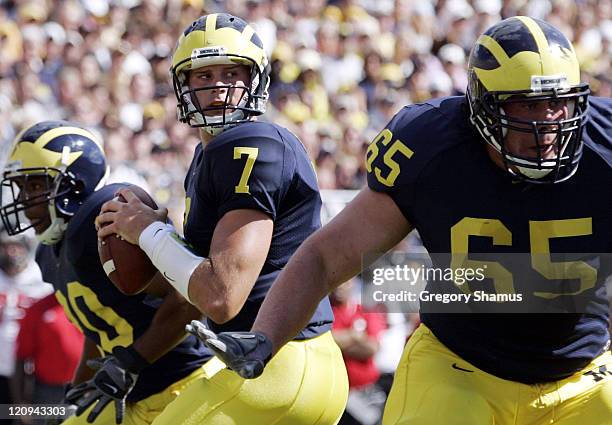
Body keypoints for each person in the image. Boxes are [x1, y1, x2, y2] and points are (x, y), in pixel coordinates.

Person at [188, 16, 612, 425]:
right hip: (461, 368)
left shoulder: (604, 146)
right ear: (482, 104)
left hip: (583, 373)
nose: (547, 124)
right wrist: (266, 338)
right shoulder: (430, 148)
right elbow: (326, 257)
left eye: (557, 103)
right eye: (525, 105)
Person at [96, 12, 348, 425]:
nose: (218, 88)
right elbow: (195, 293)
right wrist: (158, 245)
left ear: (256, 81)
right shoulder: (212, 155)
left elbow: (221, 297)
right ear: (183, 85)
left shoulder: (250, 144)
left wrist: (149, 231)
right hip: (279, 367)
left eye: (232, 73)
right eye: (204, 75)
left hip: (278, 365)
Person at [0, 120, 210, 425]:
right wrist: (77, 389)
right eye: (20, 188)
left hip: (182, 383)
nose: (24, 202)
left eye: (34, 186)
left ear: (75, 184)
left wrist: (132, 361)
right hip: (127, 393)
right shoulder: (48, 254)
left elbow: (187, 301)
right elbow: (98, 328)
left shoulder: (103, 226)